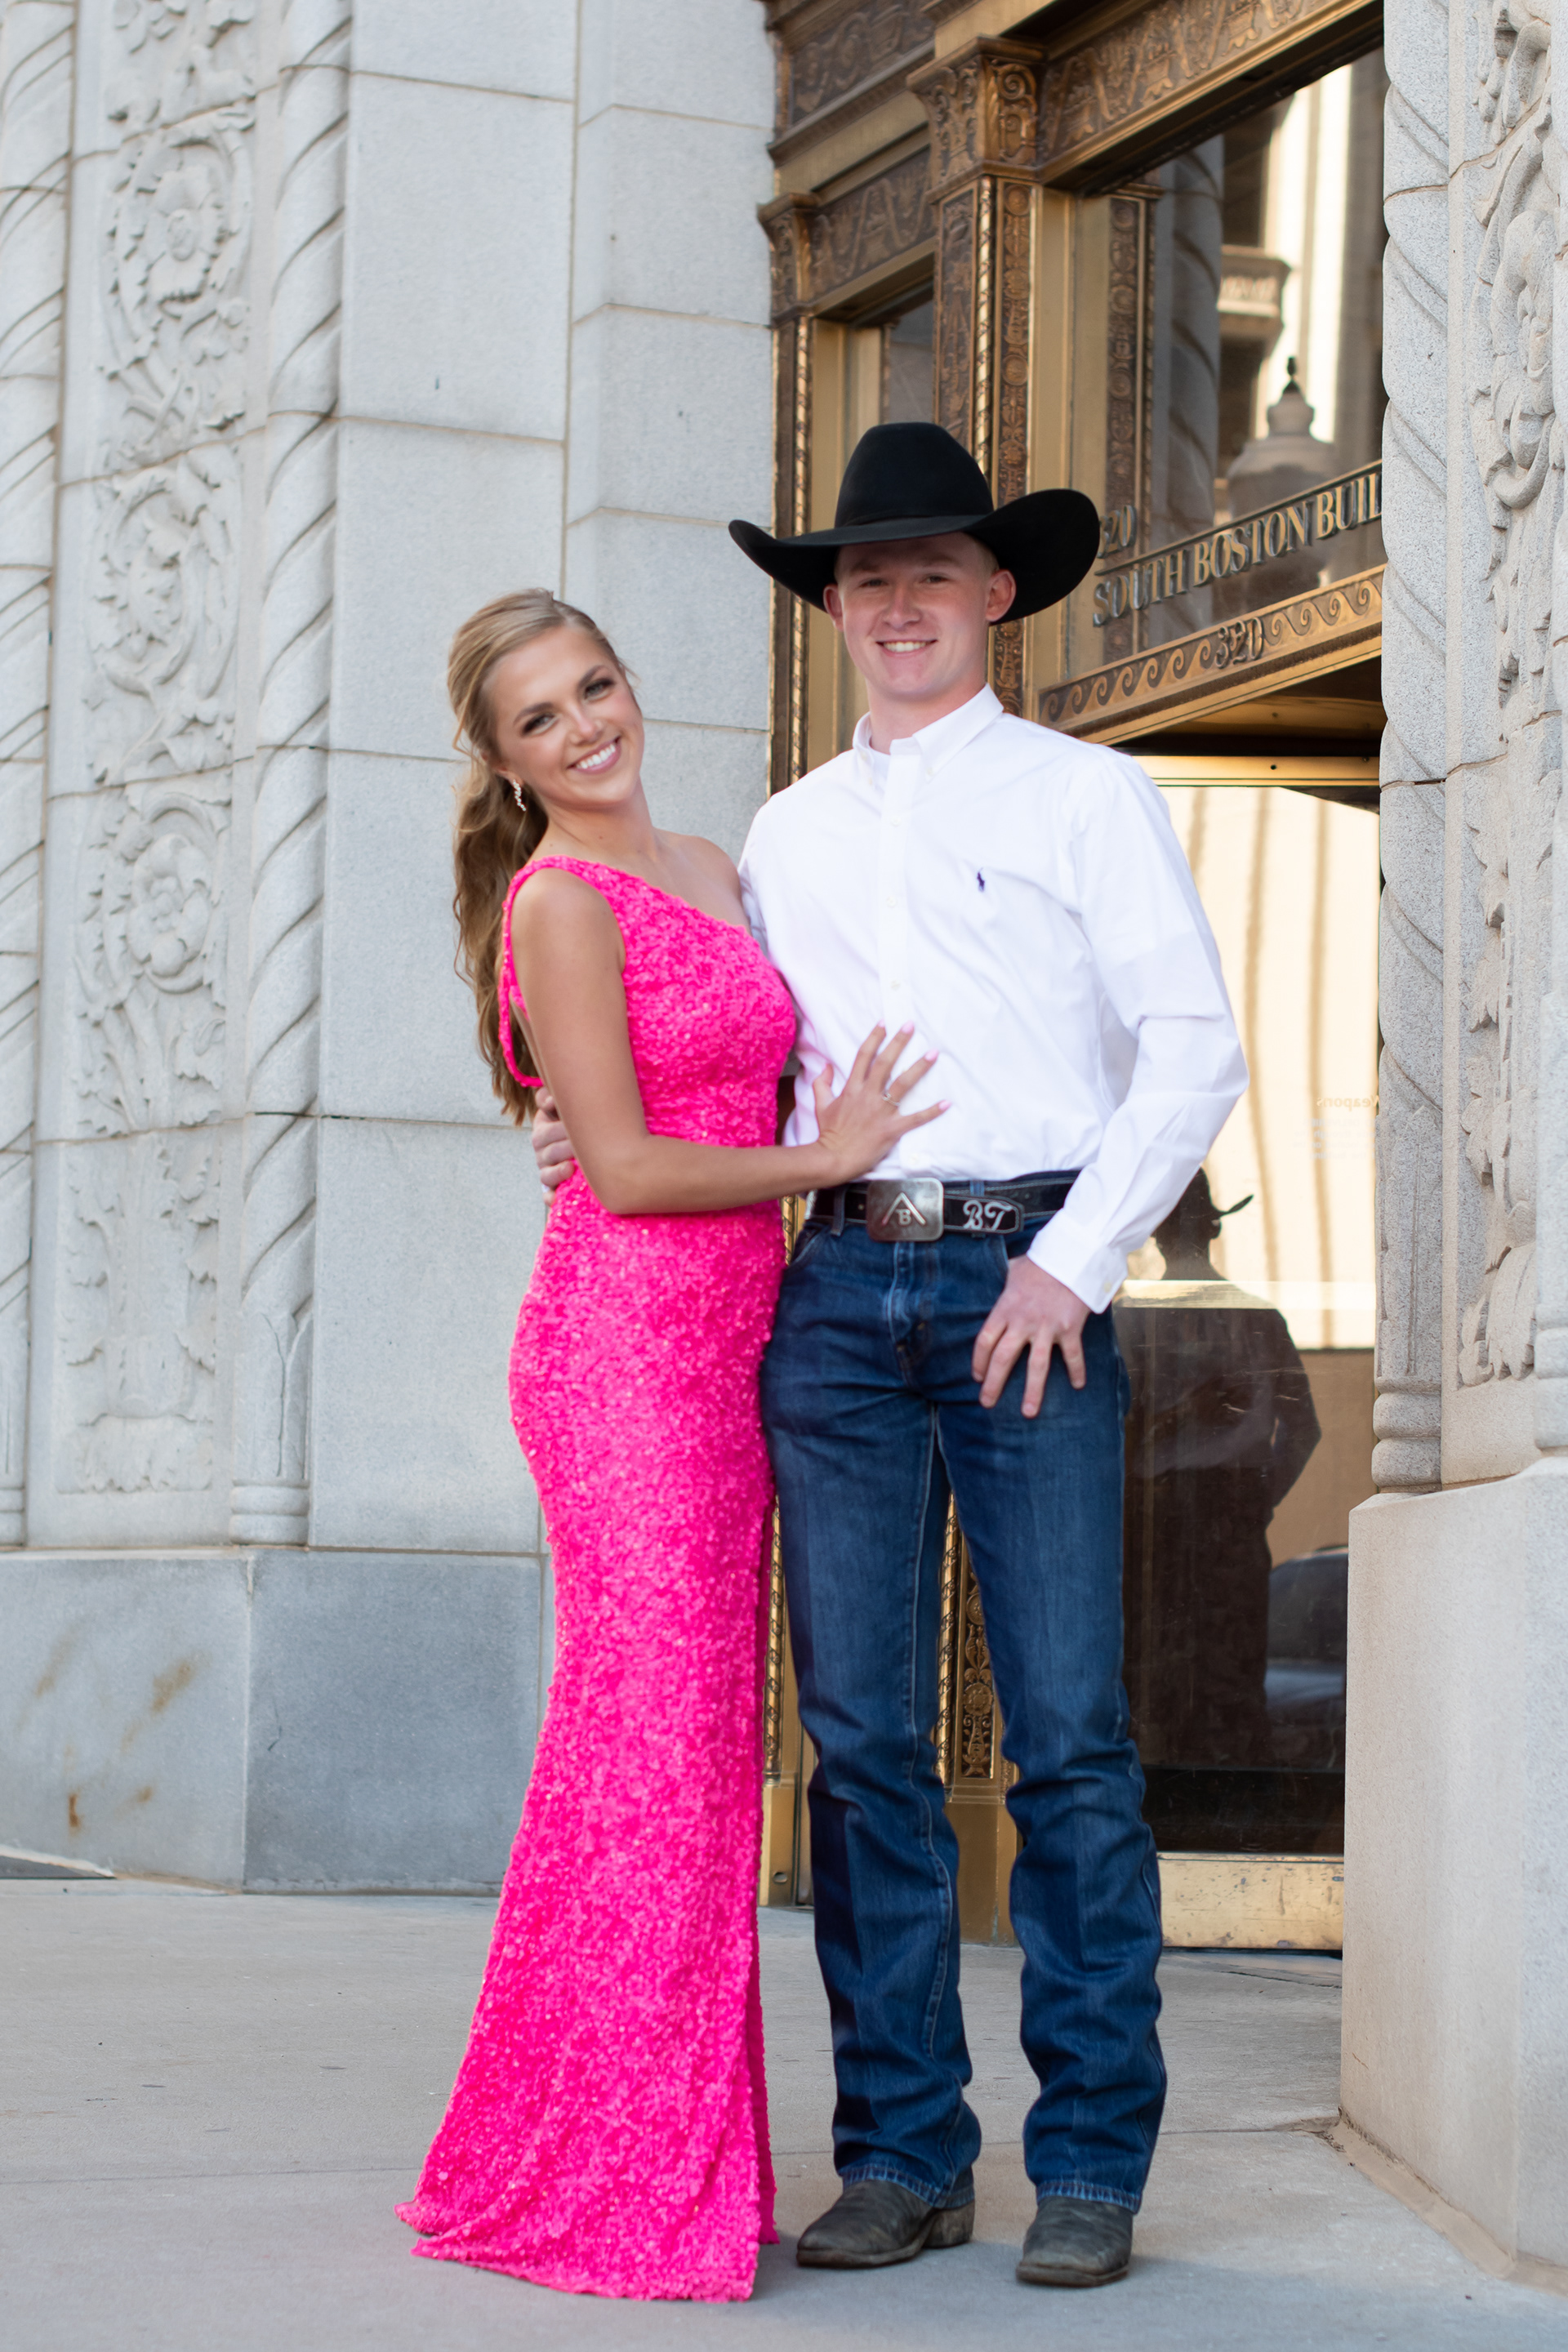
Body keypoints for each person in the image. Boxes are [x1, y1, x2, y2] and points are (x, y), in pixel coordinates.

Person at [540, 421, 1246, 2288]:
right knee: (860, 1751)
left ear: (997, 590)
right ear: (835, 608)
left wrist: (1074, 1266)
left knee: (1069, 1745)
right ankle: (906, 2154)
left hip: (1027, 1281)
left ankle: (1086, 2166)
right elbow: (720, 1046)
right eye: (868, 579)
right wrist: (576, 1128)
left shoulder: (1088, 797)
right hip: (840, 1298)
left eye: (933, 571)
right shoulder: (785, 834)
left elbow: (1193, 1050)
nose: (900, 605)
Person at [396, 589, 944, 2303]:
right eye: (541, 720)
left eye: (595, 687)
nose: (586, 729)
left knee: (685, 1762)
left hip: (731, 1354)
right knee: (652, 1758)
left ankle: (619, 2147)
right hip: (623, 1358)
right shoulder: (558, 901)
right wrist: (827, 1161)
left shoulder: (715, 864)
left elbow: (697, 1090)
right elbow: (627, 1171)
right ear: (506, 765)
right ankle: (612, 2180)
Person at [1116, 1172, 1320, 1784]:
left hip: (1172, 1512)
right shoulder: (1247, 1318)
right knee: (1205, 1676)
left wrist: (1254, 1500)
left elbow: (1303, 1429)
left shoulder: (1134, 1317)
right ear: (1212, 1228)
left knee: (1170, 1675)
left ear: (1157, 1232)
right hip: (1187, 1512)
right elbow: (1303, 1430)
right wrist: (1257, 1499)